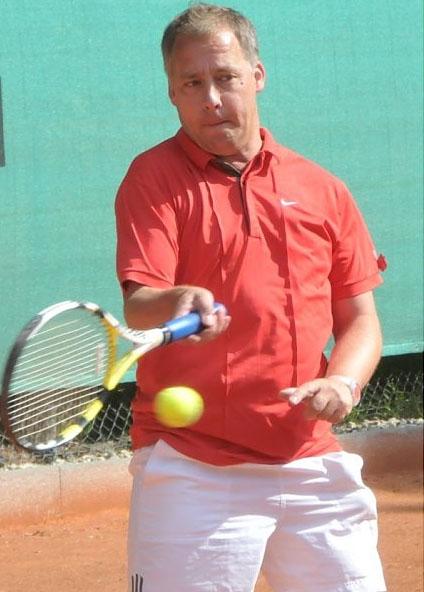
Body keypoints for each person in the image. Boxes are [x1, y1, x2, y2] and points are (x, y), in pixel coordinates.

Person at [115, 4, 387, 591]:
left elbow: (360, 318)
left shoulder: (322, 188)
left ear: (256, 75)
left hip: (311, 458)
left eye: (225, 77)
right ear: (172, 92)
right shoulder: (152, 177)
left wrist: (343, 383)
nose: (211, 98)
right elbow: (140, 299)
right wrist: (177, 298)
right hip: (191, 466)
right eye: (192, 83)